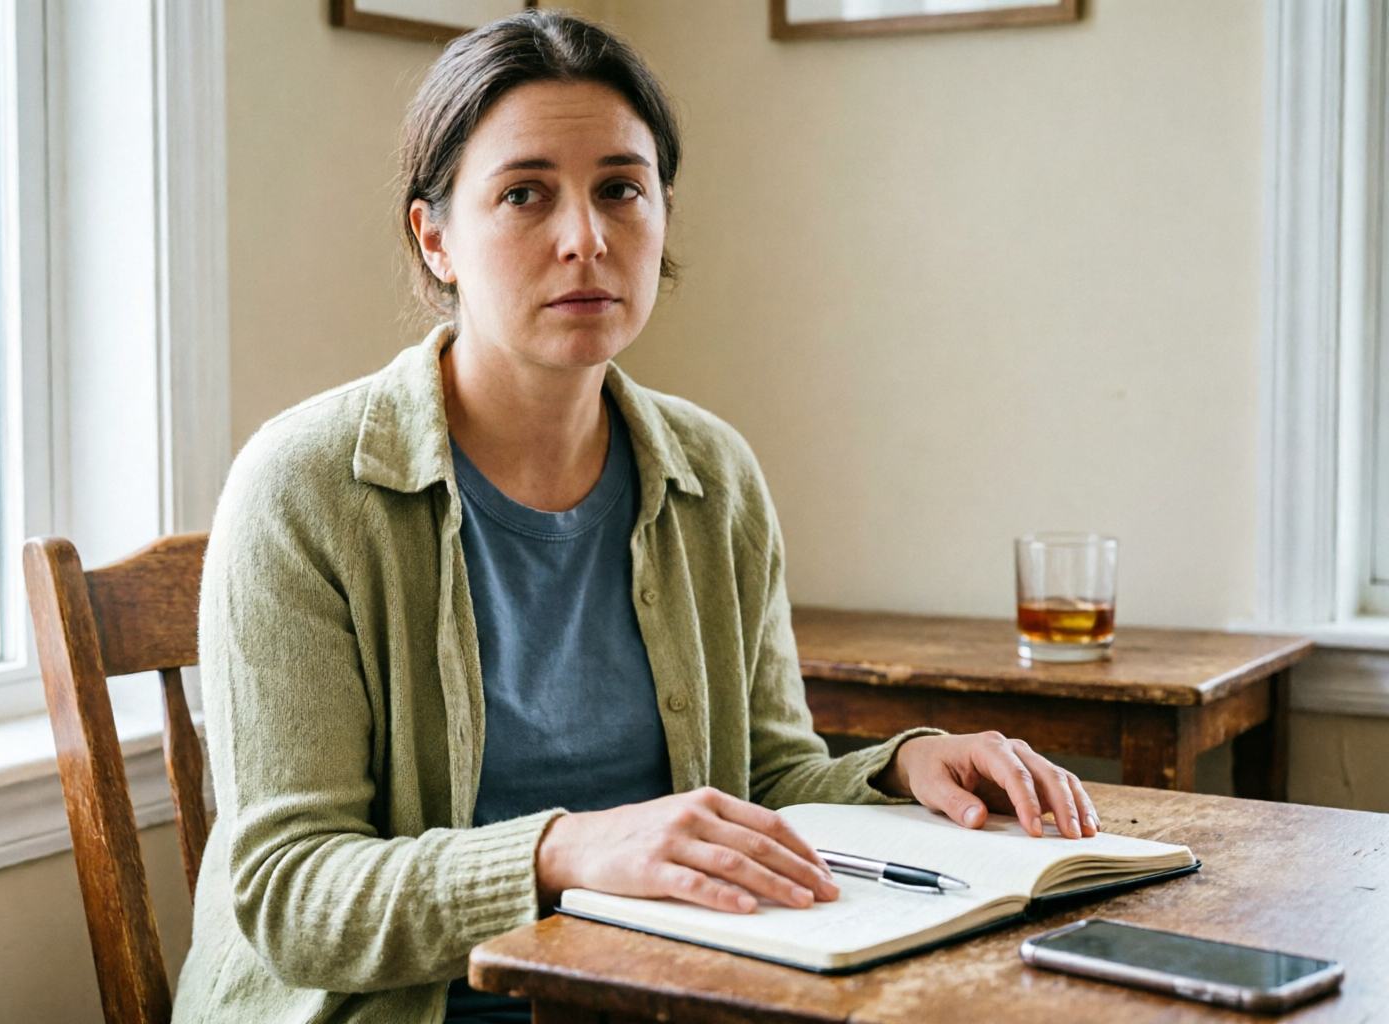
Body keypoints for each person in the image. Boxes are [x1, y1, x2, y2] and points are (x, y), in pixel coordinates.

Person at [172, 11, 1099, 1024]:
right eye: (525, 194)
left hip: (669, 998)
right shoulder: (304, 486)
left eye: (621, 188)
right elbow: (291, 894)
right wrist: (567, 848)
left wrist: (902, 766)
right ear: (434, 238)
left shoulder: (713, 473)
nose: (587, 238)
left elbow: (768, 777)